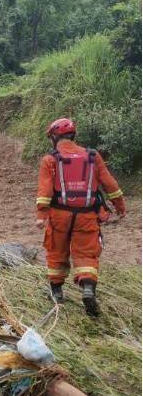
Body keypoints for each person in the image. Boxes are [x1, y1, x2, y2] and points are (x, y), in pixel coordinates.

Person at [36, 118, 126, 316]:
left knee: (56, 251)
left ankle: (57, 293)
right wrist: (120, 206)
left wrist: (41, 215)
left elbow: (44, 191)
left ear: (54, 137)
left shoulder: (50, 160)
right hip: (86, 216)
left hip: (59, 215)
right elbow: (109, 184)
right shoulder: (93, 157)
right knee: (86, 253)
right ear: (73, 135)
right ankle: (87, 289)